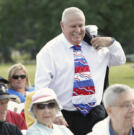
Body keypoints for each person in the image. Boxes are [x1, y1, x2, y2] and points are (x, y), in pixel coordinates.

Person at [35, 7, 126, 135]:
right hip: (64, 117)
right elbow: (41, 88)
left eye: (81, 25)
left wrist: (111, 42)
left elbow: (120, 60)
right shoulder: (48, 52)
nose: (78, 30)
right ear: (62, 25)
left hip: (96, 114)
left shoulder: (96, 45)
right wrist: (55, 114)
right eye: (73, 26)